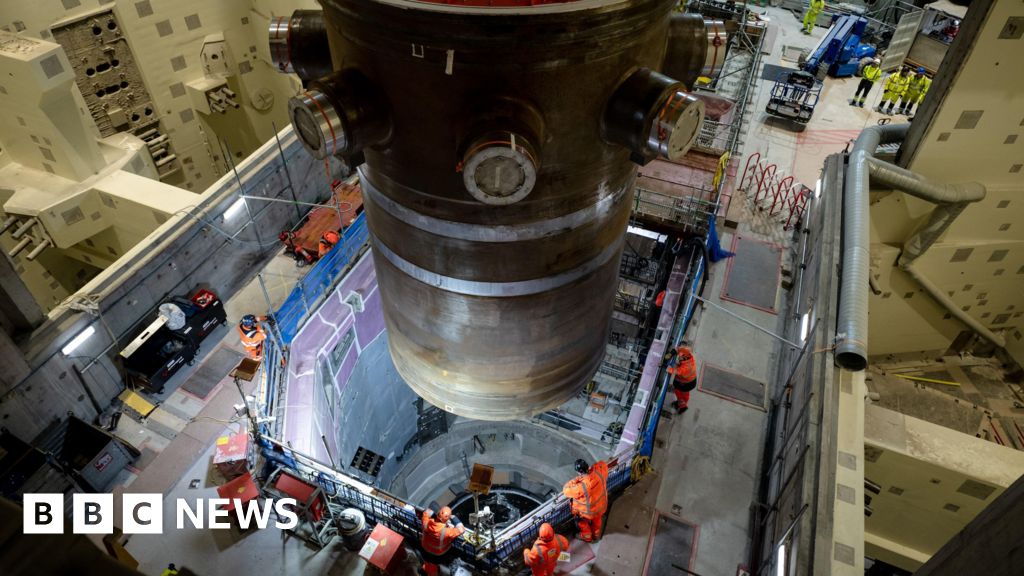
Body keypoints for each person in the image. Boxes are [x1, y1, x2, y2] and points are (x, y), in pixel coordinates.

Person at [562, 458, 609, 542]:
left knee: (582, 523)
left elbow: (566, 490)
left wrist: (576, 479)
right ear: (588, 467)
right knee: (597, 520)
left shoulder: (581, 486)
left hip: (587, 513)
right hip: (600, 507)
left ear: (579, 472)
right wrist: (592, 468)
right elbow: (602, 463)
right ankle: (596, 535)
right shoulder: (599, 472)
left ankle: (587, 537)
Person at [420, 506, 465, 576]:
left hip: (424, 550)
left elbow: (427, 512)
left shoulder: (426, 523)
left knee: (427, 562)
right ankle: (432, 573)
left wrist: (437, 512)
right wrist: (453, 518)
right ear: (447, 519)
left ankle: (426, 568)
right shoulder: (447, 532)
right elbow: (461, 529)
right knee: (432, 566)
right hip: (437, 556)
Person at [664, 344, 698, 414]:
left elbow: (677, 371)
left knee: (681, 394)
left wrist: (665, 367)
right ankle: (681, 403)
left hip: (686, 384)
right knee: (681, 393)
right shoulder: (687, 354)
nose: (679, 357)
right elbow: (679, 349)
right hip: (686, 382)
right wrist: (671, 353)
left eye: (680, 357)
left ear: (685, 358)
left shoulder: (687, 367)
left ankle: (683, 406)